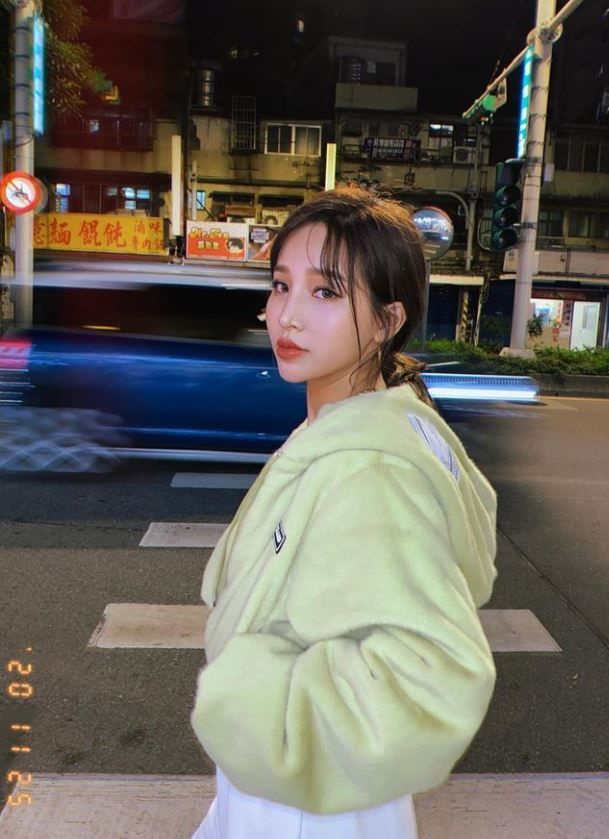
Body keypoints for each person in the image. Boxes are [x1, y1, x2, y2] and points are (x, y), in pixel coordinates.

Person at [190, 187, 497, 839]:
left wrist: (254, 696)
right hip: (304, 786)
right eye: (281, 286)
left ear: (387, 321)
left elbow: (435, 674)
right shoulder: (364, 425)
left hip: (307, 801)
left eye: (325, 292)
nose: (288, 316)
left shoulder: (368, 466)